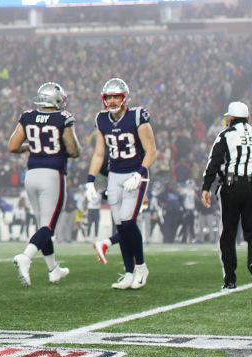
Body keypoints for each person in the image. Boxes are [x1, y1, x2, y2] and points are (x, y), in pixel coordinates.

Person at [85, 78, 157, 290]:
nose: (113, 100)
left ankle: (141, 267)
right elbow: (99, 153)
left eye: (117, 96)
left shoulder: (137, 116)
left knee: (127, 220)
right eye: (109, 97)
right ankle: (128, 272)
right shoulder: (102, 119)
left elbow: (151, 150)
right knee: (120, 225)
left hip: (135, 174)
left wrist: (140, 172)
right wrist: (90, 180)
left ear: (125, 97)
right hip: (114, 175)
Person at [201, 101, 252, 294]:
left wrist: (206, 187)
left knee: (228, 234)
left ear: (231, 118)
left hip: (231, 187)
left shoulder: (226, 135)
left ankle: (230, 279)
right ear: (248, 118)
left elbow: (214, 162)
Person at [9, 82, 81, 286]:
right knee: (49, 226)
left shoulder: (28, 116)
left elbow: (13, 146)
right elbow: (74, 150)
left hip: (31, 174)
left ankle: (53, 269)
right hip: (52, 173)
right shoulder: (62, 118)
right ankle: (26, 256)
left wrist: (30, 147)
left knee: (42, 225)